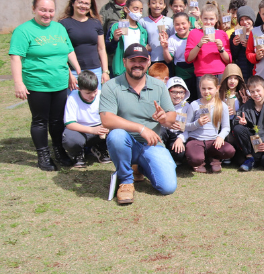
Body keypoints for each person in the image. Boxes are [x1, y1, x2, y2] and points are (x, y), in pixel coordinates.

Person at [10, 0, 82, 171]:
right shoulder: (23, 30)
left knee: (57, 120)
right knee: (40, 120)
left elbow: (68, 51)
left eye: (50, 10)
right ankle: (43, 155)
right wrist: (18, 83)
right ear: (34, 9)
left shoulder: (59, 28)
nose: (47, 14)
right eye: (42, 10)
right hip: (37, 84)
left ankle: (59, 151)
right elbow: (15, 58)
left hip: (59, 84)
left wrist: (77, 71)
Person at [99, 43, 177, 204]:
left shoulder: (159, 86)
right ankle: (126, 181)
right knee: (116, 135)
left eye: (141, 60)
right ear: (124, 61)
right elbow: (106, 119)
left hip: (153, 144)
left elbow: (172, 117)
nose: (137, 64)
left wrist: (163, 118)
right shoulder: (111, 86)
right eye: (133, 60)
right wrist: (140, 128)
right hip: (126, 141)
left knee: (168, 187)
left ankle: (138, 167)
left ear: (148, 62)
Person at [177, 75, 235, 173]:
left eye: (210, 88)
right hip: (196, 140)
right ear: (199, 88)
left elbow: (226, 127)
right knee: (195, 159)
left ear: (217, 88)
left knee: (230, 150)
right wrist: (197, 123)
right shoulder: (194, 105)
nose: (206, 92)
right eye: (203, 88)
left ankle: (214, 157)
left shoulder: (222, 105)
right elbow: (186, 126)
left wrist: (220, 137)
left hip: (213, 141)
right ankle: (199, 161)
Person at [60, 0, 110, 86]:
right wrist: (69, 74)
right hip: (73, 72)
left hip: (95, 71)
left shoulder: (96, 23)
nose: (83, 6)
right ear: (73, 3)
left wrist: (105, 71)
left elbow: (101, 49)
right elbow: (62, 52)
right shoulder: (63, 24)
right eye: (80, 2)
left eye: (87, 4)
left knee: (94, 99)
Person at [62, 70, 111, 168]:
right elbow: (69, 123)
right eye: (88, 93)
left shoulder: (102, 95)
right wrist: (92, 130)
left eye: (95, 91)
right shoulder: (73, 98)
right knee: (70, 139)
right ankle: (77, 154)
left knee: (116, 131)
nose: (92, 95)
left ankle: (100, 149)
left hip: (100, 129)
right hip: (80, 130)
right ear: (79, 89)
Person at [186, 2, 232, 93]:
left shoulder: (222, 34)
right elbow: (188, 58)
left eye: (211, 19)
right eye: (205, 19)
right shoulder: (194, 33)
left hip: (220, 73)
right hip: (202, 74)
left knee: (220, 103)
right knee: (205, 104)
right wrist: (199, 45)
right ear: (201, 18)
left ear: (216, 19)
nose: (208, 22)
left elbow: (228, 60)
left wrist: (221, 49)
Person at [107, 0, 148, 77]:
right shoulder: (116, 27)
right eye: (135, 9)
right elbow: (108, 50)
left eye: (141, 10)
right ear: (126, 9)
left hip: (137, 70)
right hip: (120, 70)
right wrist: (115, 39)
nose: (138, 12)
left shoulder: (142, 31)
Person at [164, 12, 197, 101]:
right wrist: (165, 48)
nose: (181, 26)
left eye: (183, 23)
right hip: (181, 72)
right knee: (183, 98)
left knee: (196, 96)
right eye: (177, 24)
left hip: (196, 70)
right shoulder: (172, 39)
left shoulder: (195, 35)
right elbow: (168, 60)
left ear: (189, 24)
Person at [139, 0, 174, 69]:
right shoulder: (143, 22)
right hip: (149, 60)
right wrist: (145, 46)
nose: (157, 5)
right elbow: (140, 39)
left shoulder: (169, 21)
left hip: (166, 59)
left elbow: (173, 39)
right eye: (154, 3)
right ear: (149, 4)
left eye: (160, 3)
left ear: (164, 5)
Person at [162, 77, 190, 164]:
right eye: (174, 92)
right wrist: (167, 124)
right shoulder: (161, 104)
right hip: (164, 133)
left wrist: (180, 139)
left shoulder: (187, 107)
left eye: (181, 92)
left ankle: (174, 159)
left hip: (178, 134)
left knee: (179, 153)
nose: (178, 95)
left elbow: (189, 128)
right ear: (168, 91)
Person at [229, 5, 255, 82]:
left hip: (254, 69)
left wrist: (250, 46)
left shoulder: (258, 33)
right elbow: (233, 56)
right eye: (242, 19)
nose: (244, 22)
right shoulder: (235, 34)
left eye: (247, 19)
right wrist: (235, 45)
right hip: (241, 69)